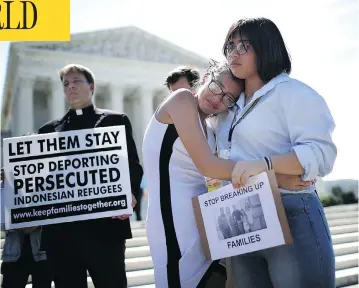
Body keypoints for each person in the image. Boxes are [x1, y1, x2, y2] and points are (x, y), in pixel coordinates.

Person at [142, 59, 308, 288]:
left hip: (205, 219)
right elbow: (208, 166)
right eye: (217, 87)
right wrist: (276, 178)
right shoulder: (181, 100)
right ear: (206, 76)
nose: (218, 99)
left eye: (228, 99)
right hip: (173, 218)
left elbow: (222, 173)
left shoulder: (209, 126)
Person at [213, 17, 337, 288]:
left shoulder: (294, 93)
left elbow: (321, 154)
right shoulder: (229, 107)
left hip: (291, 212)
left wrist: (265, 165)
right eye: (230, 46)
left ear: (266, 48)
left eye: (244, 45)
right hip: (241, 221)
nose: (234, 53)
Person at [37, 64, 143, 288]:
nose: (71, 87)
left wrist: (130, 193)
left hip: (105, 232)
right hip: (62, 237)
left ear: (91, 87)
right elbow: (41, 179)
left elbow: (132, 165)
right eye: (66, 84)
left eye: (76, 81)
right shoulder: (47, 132)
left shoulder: (115, 122)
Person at [1, 164, 52, 288]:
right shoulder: (5, 189)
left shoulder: (46, 188)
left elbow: (55, 215)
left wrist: (38, 223)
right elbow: (2, 223)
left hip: (42, 254)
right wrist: (18, 224)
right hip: (14, 255)